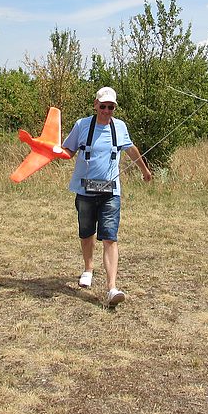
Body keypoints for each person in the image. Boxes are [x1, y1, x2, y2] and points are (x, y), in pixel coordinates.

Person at [62, 87, 153, 307]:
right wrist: (52, 152)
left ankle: (112, 288)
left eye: (110, 107)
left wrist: (145, 171)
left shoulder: (120, 127)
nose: (106, 110)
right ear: (95, 105)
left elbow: (131, 149)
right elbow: (68, 151)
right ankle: (88, 269)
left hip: (111, 193)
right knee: (86, 232)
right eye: (102, 106)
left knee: (110, 237)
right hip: (84, 190)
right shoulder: (82, 125)